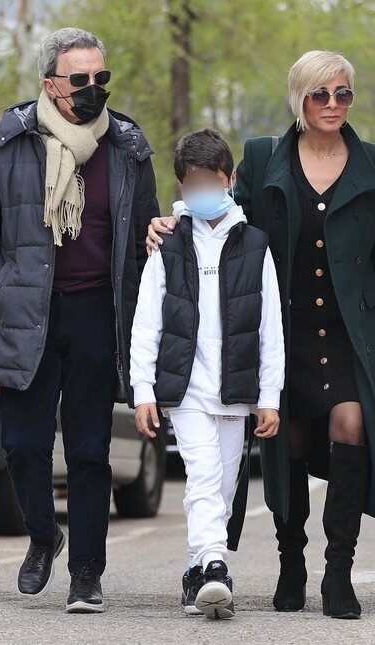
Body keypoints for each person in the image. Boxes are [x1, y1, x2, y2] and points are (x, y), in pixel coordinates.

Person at [147, 51, 375, 619]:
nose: (333, 105)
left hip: (350, 328)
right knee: (289, 441)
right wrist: (172, 223)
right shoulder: (263, 157)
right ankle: (291, 561)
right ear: (299, 97)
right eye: (321, 94)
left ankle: (338, 571)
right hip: (285, 325)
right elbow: (224, 222)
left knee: (352, 425)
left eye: (343, 94)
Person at [0, 27, 159, 613]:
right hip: (28, 313)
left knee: (92, 450)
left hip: (99, 313)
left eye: (102, 78)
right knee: (22, 445)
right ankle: (44, 535)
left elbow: (145, 237)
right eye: (81, 79)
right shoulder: (8, 141)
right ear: (50, 84)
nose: (94, 89)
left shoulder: (128, 147)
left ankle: (87, 575)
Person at [130, 129, 285, 620]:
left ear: (230, 179)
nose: (202, 191)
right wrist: (143, 390)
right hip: (186, 387)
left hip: (237, 389)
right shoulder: (170, 244)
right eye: (192, 183)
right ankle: (216, 568)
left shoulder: (256, 246)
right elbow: (147, 319)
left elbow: (271, 327)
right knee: (200, 475)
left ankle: (196, 569)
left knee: (222, 486)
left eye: (211, 181)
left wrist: (270, 396)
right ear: (181, 185)